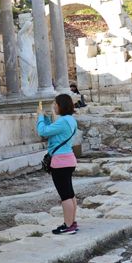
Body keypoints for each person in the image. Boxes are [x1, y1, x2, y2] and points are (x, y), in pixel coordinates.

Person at [37, 95, 79, 235]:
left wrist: (40, 118)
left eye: (55, 104)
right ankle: (72, 222)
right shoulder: (70, 120)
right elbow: (54, 132)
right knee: (70, 193)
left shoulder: (63, 121)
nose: (54, 107)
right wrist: (48, 120)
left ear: (61, 105)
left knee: (65, 196)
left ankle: (67, 226)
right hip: (69, 159)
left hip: (60, 162)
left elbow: (42, 132)